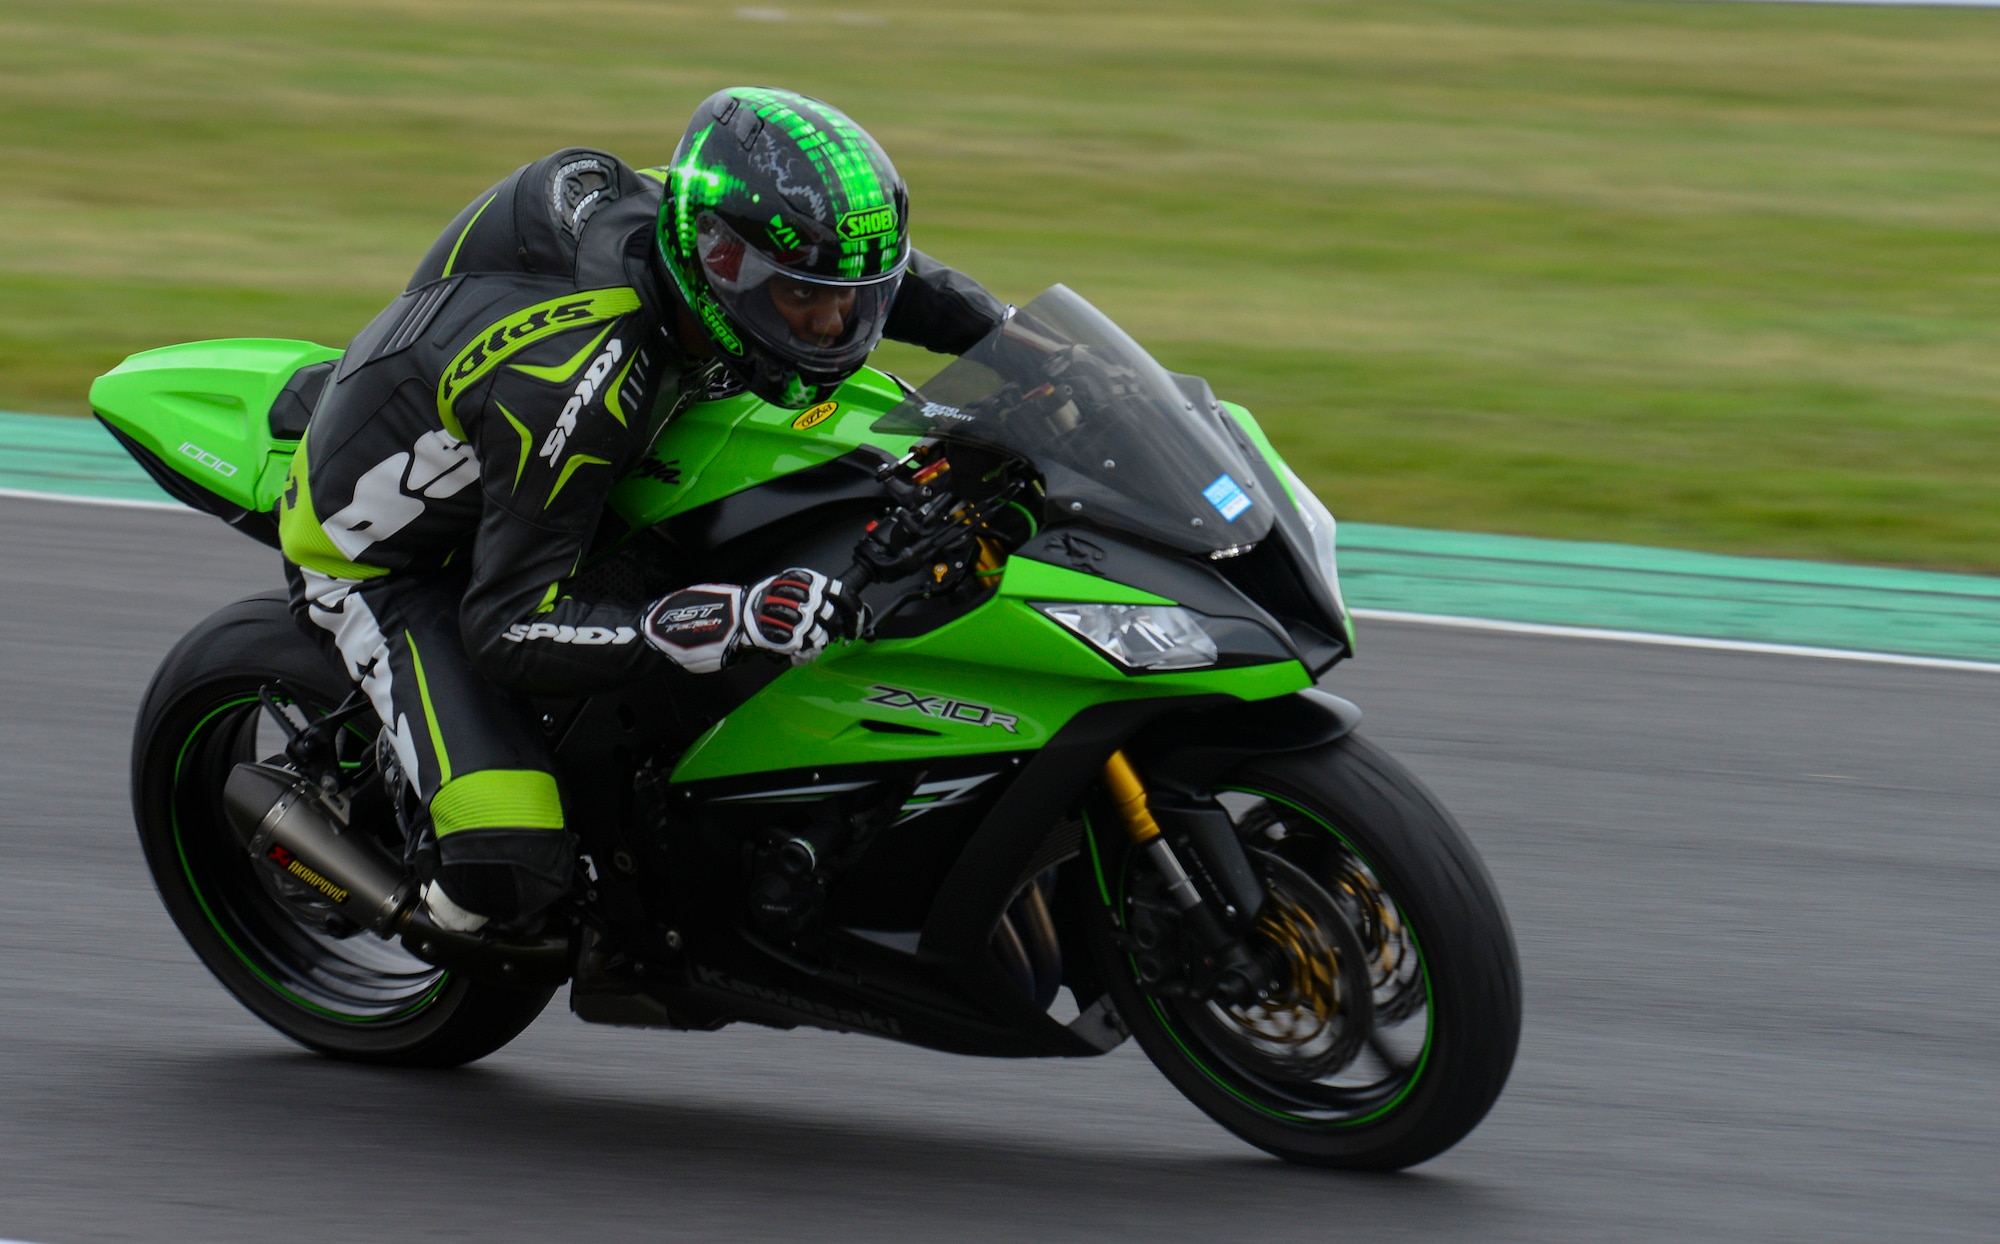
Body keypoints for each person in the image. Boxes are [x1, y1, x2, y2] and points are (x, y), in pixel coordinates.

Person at [276, 87, 1004, 932]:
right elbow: (508, 625)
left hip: (530, 477)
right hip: (395, 567)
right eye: (807, 301)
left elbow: (890, 281)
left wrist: (1029, 345)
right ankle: (398, 902)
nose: (838, 322)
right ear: (723, 268)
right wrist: (729, 620)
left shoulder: (697, 223)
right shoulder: (575, 386)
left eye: (850, 298)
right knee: (507, 872)